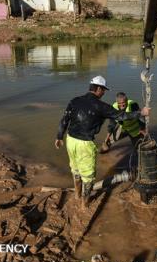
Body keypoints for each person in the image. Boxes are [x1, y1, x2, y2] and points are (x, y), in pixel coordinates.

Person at [55, 76, 150, 208]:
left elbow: (64, 119)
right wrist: (141, 113)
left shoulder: (74, 100)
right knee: (88, 177)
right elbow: (121, 116)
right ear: (98, 89)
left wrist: (59, 136)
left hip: (70, 140)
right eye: (103, 90)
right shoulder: (101, 106)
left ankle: (77, 195)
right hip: (84, 143)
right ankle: (84, 205)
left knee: (75, 169)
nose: (104, 93)